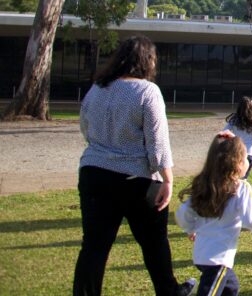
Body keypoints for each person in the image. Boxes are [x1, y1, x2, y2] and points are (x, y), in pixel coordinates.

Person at [74, 35, 196, 296]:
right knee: (154, 243)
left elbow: (85, 127)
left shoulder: (96, 89)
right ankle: (169, 291)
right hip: (135, 178)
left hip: (94, 172)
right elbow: (157, 140)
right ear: (147, 61)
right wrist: (167, 178)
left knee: (94, 246)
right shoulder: (146, 91)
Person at [175, 132, 252, 296]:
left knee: (231, 287)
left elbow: (182, 213)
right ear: (238, 163)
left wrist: (190, 228)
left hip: (202, 254)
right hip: (218, 259)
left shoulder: (204, 186)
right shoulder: (241, 188)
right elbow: (251, 219)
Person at [224, 97, 252, 179]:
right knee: (243, 179)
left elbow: (224, 132)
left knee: (234, 178)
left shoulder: (234, 120)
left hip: (236, 152)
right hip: (249, 154)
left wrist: (233, 138)